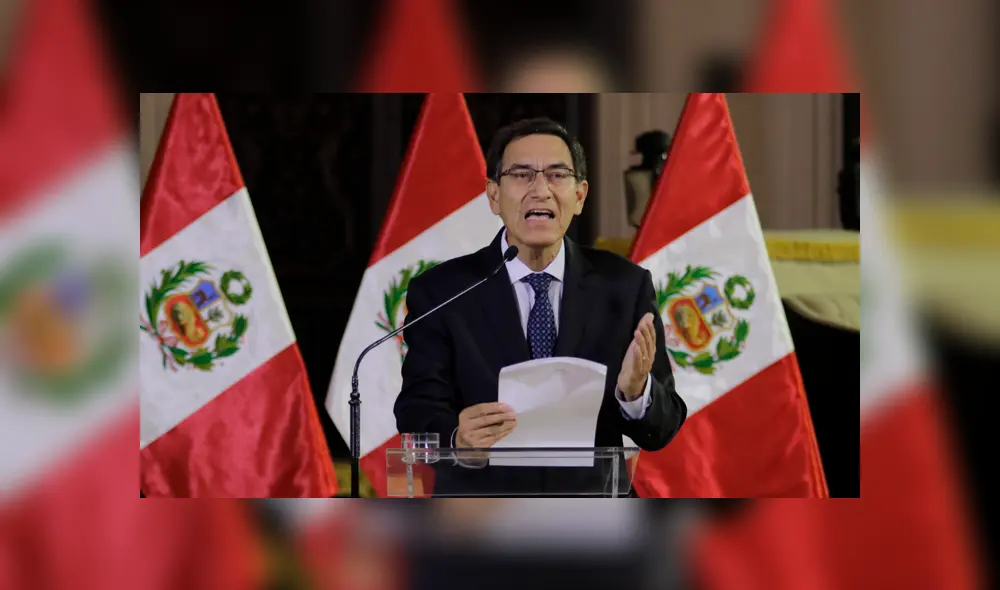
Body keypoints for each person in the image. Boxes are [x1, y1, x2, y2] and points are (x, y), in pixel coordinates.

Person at [393, 117, 687, 496]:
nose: (541, 190)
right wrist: (457, 437)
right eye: (521, 174)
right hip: (479, 519)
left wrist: (635, 392)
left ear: (580, 196)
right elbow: (416, 409)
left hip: (592, 514)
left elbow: (662, 430)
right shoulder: (442, 291)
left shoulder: (625, 286)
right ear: (494, 195)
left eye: (557, 175)